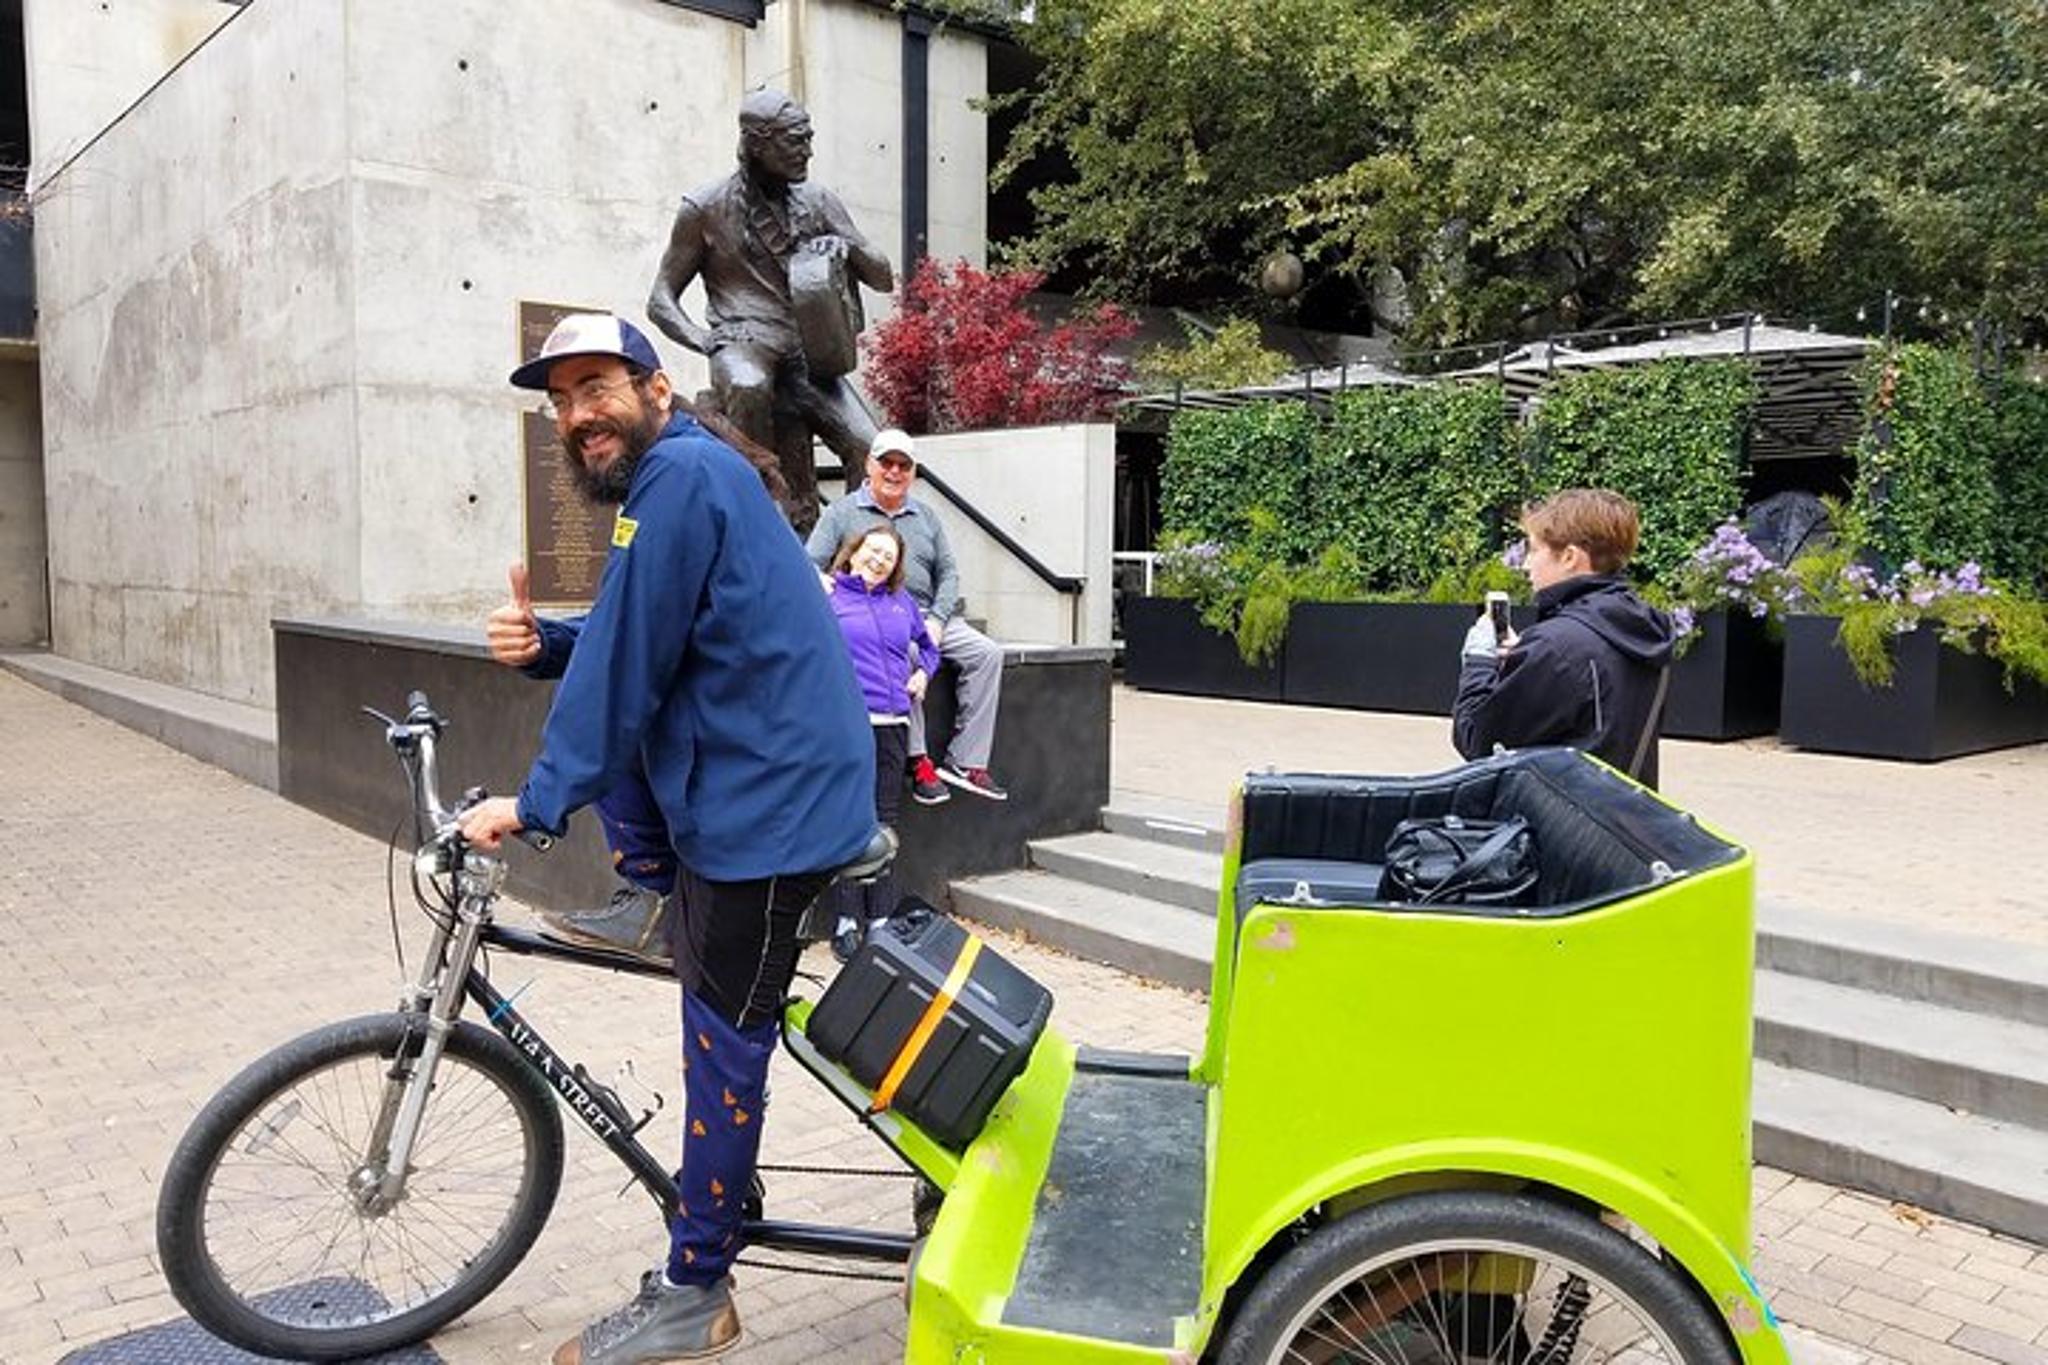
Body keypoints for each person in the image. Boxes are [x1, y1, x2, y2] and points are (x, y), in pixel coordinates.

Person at [459, 312, 875, 1364]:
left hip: (771, 816)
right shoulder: (678, 478)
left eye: (593, 387)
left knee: (721, 1052)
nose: (573, 415)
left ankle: (698, 1289)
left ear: (654, 387)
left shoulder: (681, 478)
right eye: (557, 401)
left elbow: (627, 666)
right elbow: (638, 627)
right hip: (754, 783)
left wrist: (537, 804)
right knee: (719, 1017)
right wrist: (545, 642)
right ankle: (648, 898)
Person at [646, 88, 893, 528]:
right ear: (758, 143)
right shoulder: (704, 208)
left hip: (808, 355)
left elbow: (882, 276)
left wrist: (845, 246)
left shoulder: (818, 201)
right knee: (747, 384)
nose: (808, 150)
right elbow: (661, 299)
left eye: (809, 138)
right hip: (745, 341)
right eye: (796, 140)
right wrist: (705, 340)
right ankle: (759, 522)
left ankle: (850, 562)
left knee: (868, 446)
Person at [806, 428, 1008, 804]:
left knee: (987, 654)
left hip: (930, 615)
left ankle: (967, 761)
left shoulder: (927, 516)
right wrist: (826, 584)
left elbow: (948, 573)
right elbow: (808, 561)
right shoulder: (841, 512)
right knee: (908, 654)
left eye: (904, 465)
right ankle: (917, 761)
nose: (895, 472)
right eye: (887, 463)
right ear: (870, 465)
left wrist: (938, 619)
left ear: (913, 472)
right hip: (877, 614)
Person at [1452, 489, 1675, 788]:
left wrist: (1479, 661)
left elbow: (1478, 741)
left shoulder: (1556, 646)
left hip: (1564, 828)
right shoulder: (1645, 628)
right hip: (1625, 823)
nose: (1525, 565)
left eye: (1533, 550)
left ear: (1570, 557)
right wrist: (1527, 659)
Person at [819, 524, 938, 960]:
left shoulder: (901, 602)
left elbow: (929, 646)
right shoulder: (829, 598)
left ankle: (882, 920)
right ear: (853, 553)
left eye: (888, 556)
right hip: (849, 725)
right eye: (873, 551)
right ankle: (846, 921)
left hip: (894, 724)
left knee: (884, 821)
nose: (879, 560)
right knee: (851, 819)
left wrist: (924, 671)